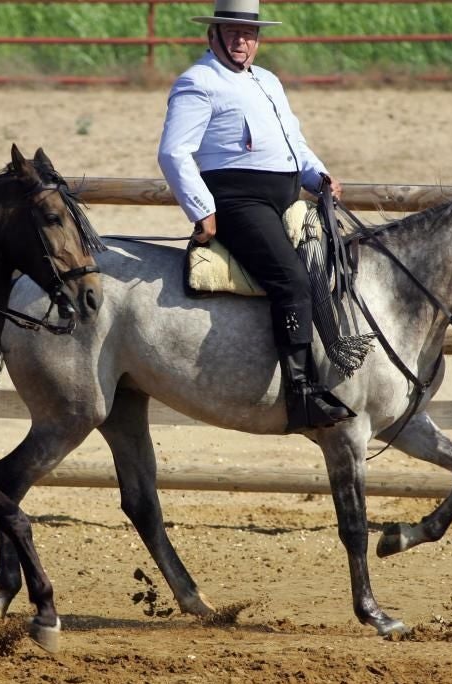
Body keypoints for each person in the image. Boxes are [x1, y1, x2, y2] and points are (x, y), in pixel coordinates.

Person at [157, 0, 354, 433]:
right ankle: (301, 394)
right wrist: (202, 208)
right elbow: (174, 152)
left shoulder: (267, 81)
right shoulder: (198, 82)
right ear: (212, 35)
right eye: (231, 32)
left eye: (248, 33)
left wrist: (317, 174)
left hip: (281, 199)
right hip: (236, 201)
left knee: (338, 264)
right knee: (292, 279)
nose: (241, 41)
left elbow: (293, 142)